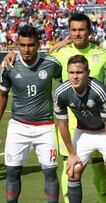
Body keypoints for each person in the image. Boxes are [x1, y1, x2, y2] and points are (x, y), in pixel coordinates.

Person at [1, 13, 106, 203]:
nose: (77, 33)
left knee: (105, 170)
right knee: (71, 169)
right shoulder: (58, 54)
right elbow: (32, 59)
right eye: (73, 30)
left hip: (102, 123)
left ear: (89, 31)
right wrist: (12, 53)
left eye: (81, 29)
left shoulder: (102, 53)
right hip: (73, 124)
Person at [0, 25, 61, 203]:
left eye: (31, 45)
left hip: (45, 127)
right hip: (18, 127)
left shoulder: (51, 64)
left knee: (50, 172)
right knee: (12, 172)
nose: (27, 49)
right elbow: (2, 96)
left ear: (38, 44)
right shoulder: (9, 66)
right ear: (17, 45)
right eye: (22, 45)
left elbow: (68, 78)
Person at [54, 55, 106, 203]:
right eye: (71, 73)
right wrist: (71, 154)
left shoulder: (99, 90)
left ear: (88, 72)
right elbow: (62, 125)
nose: (75, 77)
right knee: (73, 171)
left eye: (79, 72)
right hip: (84, 130)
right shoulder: (61, 93)